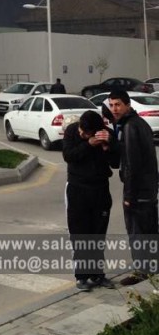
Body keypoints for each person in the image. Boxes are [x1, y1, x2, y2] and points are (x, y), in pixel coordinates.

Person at [62, 110, 120, 291]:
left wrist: (107, 147)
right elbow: (69, 156)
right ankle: (81, 276)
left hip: (100, 190)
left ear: (96, 130)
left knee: (97, 235)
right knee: (80, 234)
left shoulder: (106, 134)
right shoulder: (72, 131)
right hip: (77, 189)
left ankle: (97, 274)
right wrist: (88, 143)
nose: (81, 132)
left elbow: (116, 163)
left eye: (86, 132)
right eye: (81, 129)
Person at [108, 89, 159, 282]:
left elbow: (132, 164)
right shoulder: (139, 124)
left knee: (137, 232)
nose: (114, 109)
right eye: (111, 105)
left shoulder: (130, 127)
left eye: (118, 105)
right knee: (150, 231)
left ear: (127, 105)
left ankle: (142, 271)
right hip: (148, 188)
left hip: (137, 191)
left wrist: (129, 196)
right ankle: (152, 266)